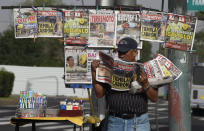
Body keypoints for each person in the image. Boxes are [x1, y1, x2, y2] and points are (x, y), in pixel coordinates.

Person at [91, 37, 158, 131]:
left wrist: (146, 83)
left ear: (135, 52)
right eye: (119, 52)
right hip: (115, 121)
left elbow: (154, 98)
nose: (121, 55)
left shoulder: (144, 69)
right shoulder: (111, 68)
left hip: (138, 122)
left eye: (124, 52)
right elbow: (99, 94)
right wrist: (94, 72)